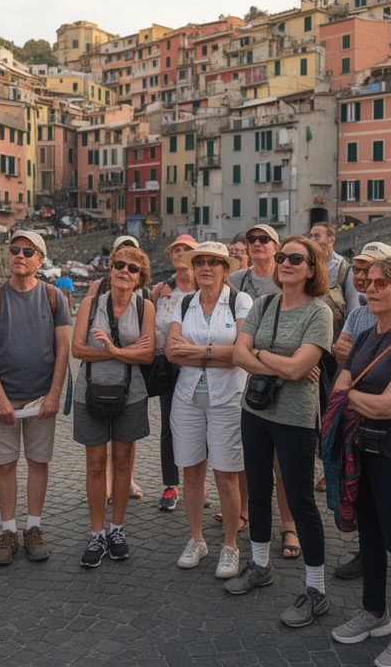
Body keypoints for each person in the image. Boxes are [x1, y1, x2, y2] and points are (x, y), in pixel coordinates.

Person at [328, 258, 391, 667]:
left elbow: (390, 405)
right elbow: (339, 381)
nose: (370, 288)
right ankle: (374, 612)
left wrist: (348, 396)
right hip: (361, 446)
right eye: (368, 282)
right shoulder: (366, 334)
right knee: (369, 534)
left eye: (382, 283)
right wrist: (351, 394)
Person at [228, 236, 334, 628]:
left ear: (312, 268)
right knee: (257, 491)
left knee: (301, 501)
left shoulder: (319, 312)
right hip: (255, 410)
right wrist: (280, 361)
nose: (285, 263)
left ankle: (316, 589)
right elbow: (238, 354)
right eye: (281, 256)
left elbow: (297, 368)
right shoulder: (264, 304)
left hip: (295, 417)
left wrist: (260, 355)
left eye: (295, 258)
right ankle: (259, 565)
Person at [0, 230, 72, 565]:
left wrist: (54, 394)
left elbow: (63, 349)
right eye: (15, 250)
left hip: (40, 397)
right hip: (2, 396)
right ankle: (8, 531)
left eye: (28, 252)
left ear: (40, 260)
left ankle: (33, 527)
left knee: (38, 462)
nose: (20, 256)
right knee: (5, 465)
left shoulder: (54, 297)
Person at [167, 242, 254, 578]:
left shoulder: (240, 301)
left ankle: (230, 545)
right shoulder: (184, 302)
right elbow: (171, 351)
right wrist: (217, 352)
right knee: (191, 472)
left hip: (227, 397)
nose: (205, 267)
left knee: (227, 477)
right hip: (187, 397)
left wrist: (197, 351)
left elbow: (241, 353)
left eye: (213, 263)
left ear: (225, 268)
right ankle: (196, 539)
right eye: (200, 262)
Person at [72, 245, 157, 567]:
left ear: (140, 278)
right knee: (95, 464)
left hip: (131, 394)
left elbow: (147, 355)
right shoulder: (90, 304)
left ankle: (116, 529)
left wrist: (112, 349)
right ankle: (97, 533)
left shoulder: (145, 307)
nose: (125, 271)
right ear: (110, 270)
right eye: (119, 264)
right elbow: (77, 349)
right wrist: (124, 351)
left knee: (122, 462)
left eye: (133, 268)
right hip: (90, 392)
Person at [227, 223, 300, 559]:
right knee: (248, 455)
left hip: (283, 377)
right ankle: (243, 511)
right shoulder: (237, 279)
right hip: (246, 375)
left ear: (276, 247)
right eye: (251, 239)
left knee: (282, 462)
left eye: (263, 240)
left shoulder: (287, 278)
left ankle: (289, 525)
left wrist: (264, 356)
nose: (256, 244)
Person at [329, 241, 391, 582]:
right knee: (361, 487)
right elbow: (340, 351)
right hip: (357, 416)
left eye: (370, 271)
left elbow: (359, 362)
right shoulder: (357, 313)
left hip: (387, 418)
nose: (362, 277)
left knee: (388, 493)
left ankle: (389, 551)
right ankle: (367, 552)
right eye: (358, 270)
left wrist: (352, 360)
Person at [150, 234, 200, 512]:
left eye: (186, 250)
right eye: (176, 250)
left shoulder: (206, 288)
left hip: (198, 365)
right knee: (169, 426)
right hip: (167, 367)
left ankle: (198, 482)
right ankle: (171, 484)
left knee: (199, 425)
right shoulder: (161, 290)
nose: (180, 254)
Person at [309, 222, 360, 333]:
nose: (312, 240)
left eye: (317, 236)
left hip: (336, 334)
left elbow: (353, 308)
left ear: (331, 239)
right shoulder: (305, 266)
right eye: (311, 236)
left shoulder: (346, 269)